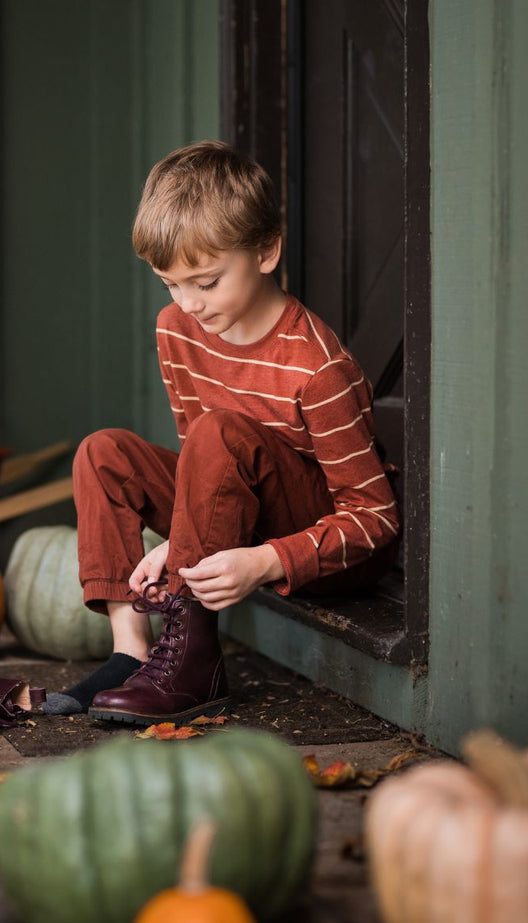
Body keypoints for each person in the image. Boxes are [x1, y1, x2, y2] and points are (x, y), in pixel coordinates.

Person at [44, 140, 400, 725]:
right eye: (170, 285)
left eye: (206, 283)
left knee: (218, 434)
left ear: (266, 251)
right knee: (103, 452)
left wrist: (263, 562)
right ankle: (132, 654)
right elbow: (198, 467)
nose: (189, 303)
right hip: (240, 514)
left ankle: (194, 662)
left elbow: (375, 519)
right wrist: (176, 546)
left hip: (324, 550)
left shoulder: (317, 367)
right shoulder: (177, 330)